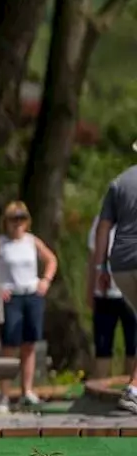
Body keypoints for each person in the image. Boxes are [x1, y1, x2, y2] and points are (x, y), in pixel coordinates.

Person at [0, 201, 58, 407]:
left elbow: (51, 259)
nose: (17, 224)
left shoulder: (31, 241)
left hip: (31, 294)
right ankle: (4, 394)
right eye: (13, 219)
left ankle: (27, 390)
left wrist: (45, 280)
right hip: (11, 298)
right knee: (9, 345)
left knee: (30, 344)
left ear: (27, 222)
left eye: (21, 219)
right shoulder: (0, 243)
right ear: (6, 222)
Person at [89, 150, 137, 414]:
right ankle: (133, 390)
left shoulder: (118, 182)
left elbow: (103, 228)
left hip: (119, 264)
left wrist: (101, 267)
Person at [88, 213, 137, 384]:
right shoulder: (101, 221)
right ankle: (100, 389)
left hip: (131, 293)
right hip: (105, 294)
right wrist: (90, 290)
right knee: (103, 347)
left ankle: (131, 389)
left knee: (133, 346)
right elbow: (93, 258)